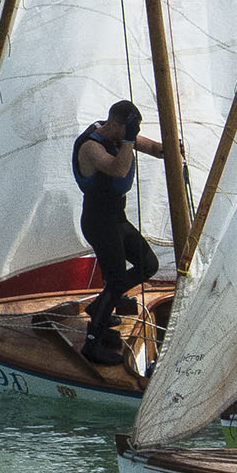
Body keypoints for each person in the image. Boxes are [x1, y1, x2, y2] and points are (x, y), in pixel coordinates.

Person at [74, 101, 163, 365]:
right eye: (126, 130)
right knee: (114, 282)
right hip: (97, 222)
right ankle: (92, 342)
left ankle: (100, 305)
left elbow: (155, 149)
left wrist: (171, 148)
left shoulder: (122, 134)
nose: (130, 136)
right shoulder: (91, 146)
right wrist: (127, 141)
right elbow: (118, 169)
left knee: (149, 264)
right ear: (112, 124)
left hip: (116, 219)